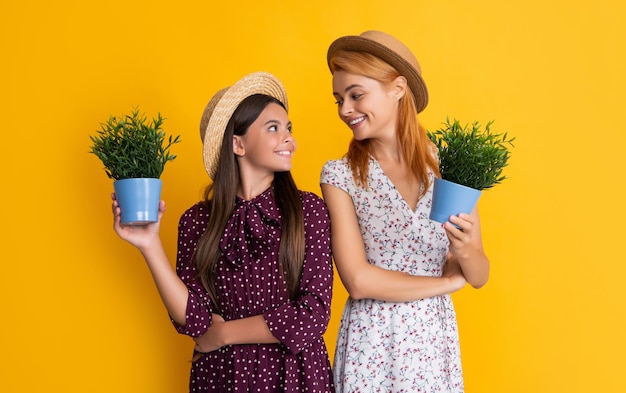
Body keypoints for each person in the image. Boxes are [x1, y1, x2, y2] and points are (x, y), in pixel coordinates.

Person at [112, 72, 335, 392]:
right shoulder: (197, 222)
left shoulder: (308, 211)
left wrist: (224, 334)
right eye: (273, 128)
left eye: (288, 128)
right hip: (221, 378)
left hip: (296, 378)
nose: (289, 138)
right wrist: (149, 246)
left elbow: (311, 317)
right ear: (237, 143)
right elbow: (194, 320)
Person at [320, 31, 490, 392]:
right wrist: (445, 283)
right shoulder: (340, 175)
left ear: (397, 88)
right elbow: (359, 281)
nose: (345, 109)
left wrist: (463, 250)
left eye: (356, 94)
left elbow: (478, 274)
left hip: (431, 341)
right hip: (372, 344)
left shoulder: (448, 165)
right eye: (339, 99)